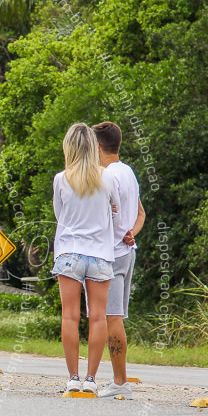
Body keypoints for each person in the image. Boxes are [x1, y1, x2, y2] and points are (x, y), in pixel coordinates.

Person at [52, 122, 120, 395]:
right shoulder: (107, 177)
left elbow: (60, 215)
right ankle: (91, 379)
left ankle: (73, 377)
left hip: (69, 251)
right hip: (101, 254)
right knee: (98, 317)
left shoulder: (61, 179)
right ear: (94, 147)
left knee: (70, 316)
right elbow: (114, 212)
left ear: (69, 147)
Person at [93, 122, 145, 400]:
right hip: (128, 251)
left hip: (110, 254)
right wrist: (131, 233)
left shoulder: (106, 176)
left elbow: (102, 217)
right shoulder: (129, 172)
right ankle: (118, 378)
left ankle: (119, 381)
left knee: (111, 318)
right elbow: (140, 213)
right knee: (118, 316)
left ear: (98, 146)